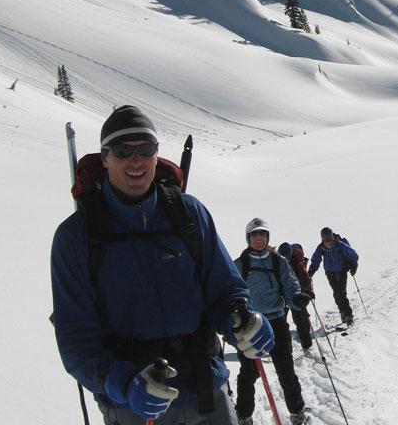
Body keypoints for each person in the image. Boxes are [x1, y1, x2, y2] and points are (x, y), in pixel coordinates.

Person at [51, 105, 274, 425]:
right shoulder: (77, 238)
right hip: (133, 407)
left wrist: (241, 318)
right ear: (105, 158)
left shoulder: (189, 214)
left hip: (205, 391)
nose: (136, 160)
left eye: (146, 149)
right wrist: (123, 384)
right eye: (122, 150)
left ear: (157, 155)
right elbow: (75, 338)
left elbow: (224, 289)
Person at [235, 219, 312, 425]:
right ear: (248, 238)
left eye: (262, 235)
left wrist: (297, 299)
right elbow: (232, 293)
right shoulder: (240, 265)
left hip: (276, 322)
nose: (258, 239)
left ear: (267, 238)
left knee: (286, 371)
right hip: (250, 325)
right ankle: (244, 415)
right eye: (254, 235)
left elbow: (290, 286)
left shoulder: (279, 262)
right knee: (248, 374)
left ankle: (297, 411)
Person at [308, 227, 359, 326]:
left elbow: (353, 254)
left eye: (330, 240)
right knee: (336, 293)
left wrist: (354, 265)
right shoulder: (321, 248)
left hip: (342, 270)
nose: (328, 243)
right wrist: (312, 270)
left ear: (333, 237)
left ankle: (349, 315)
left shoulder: (339, 245)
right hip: (330, 272)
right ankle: (342, 312)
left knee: (341, 293)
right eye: (325, 240)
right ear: (322, 240)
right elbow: (316, 259)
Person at [279, 243, 315, 351]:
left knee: (300, 320)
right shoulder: (278, 263)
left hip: (296, 295)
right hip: (283, 295)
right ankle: (284, 349)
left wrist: (308, 291)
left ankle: (306, 346)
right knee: (282, 323)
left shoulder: (297, 264)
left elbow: (306, 278)